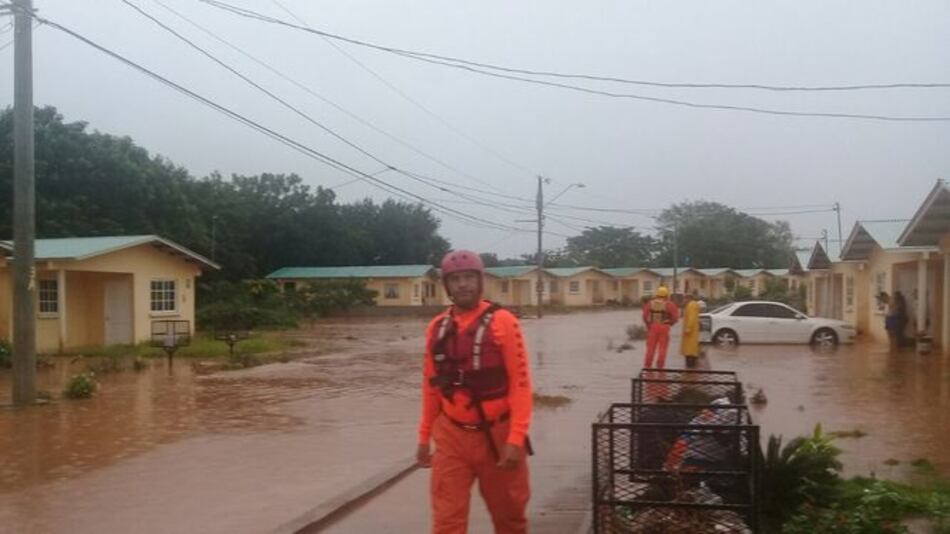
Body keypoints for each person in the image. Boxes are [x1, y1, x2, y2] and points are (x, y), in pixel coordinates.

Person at [416, 250, 532, 534]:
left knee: (510, 518)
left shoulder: (504, 322)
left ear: (480, 281)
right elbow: (431, 388)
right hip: (451, 436)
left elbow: (521, 384)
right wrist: (423, 437)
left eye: (469, 277)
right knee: (446, 521)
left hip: (498, 435)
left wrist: (516, 438)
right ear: (447, 285)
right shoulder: (437, 328)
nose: (463, 284)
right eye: (455, 279)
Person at [642, 286, 680, 369]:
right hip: (664, 327)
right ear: (666, 295)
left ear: (657, 294)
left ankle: (647, 366)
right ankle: (660, 366)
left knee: (650, 348)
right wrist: (670, 323)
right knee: (662, 348)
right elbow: (676, 317)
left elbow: (644, 316)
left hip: (653, 327)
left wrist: (649, 326)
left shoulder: (650, 303)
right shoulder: (670, 304)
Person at [680, 292, 701, 368]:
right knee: (691, 349)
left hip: (690, 332)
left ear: (688, 298)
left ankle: (690, 367)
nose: (683, 300)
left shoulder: (691, 305)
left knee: (689, 350)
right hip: (692, 332)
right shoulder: (692, 305)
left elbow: (691, 318)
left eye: (684, 298)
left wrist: (688, 328)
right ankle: (691, 367)